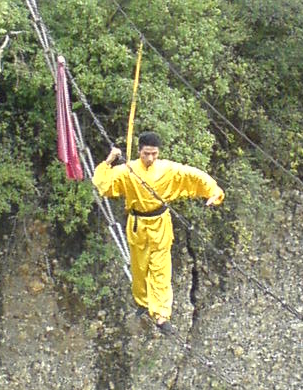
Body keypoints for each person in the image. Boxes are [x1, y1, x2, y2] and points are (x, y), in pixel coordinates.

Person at [92, 131, 224, 331]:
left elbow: (192, 174)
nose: (150, 158)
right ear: (139, 152)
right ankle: (143, 302)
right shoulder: (128, 171)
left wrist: (213, 190)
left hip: (160, 223)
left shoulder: (166, 170)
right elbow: (102, 184)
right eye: (146, 154)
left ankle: (161, 314)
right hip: (138, 225)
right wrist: (108, 161)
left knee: (161, 269)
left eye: (154, 153)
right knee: (139, 267)